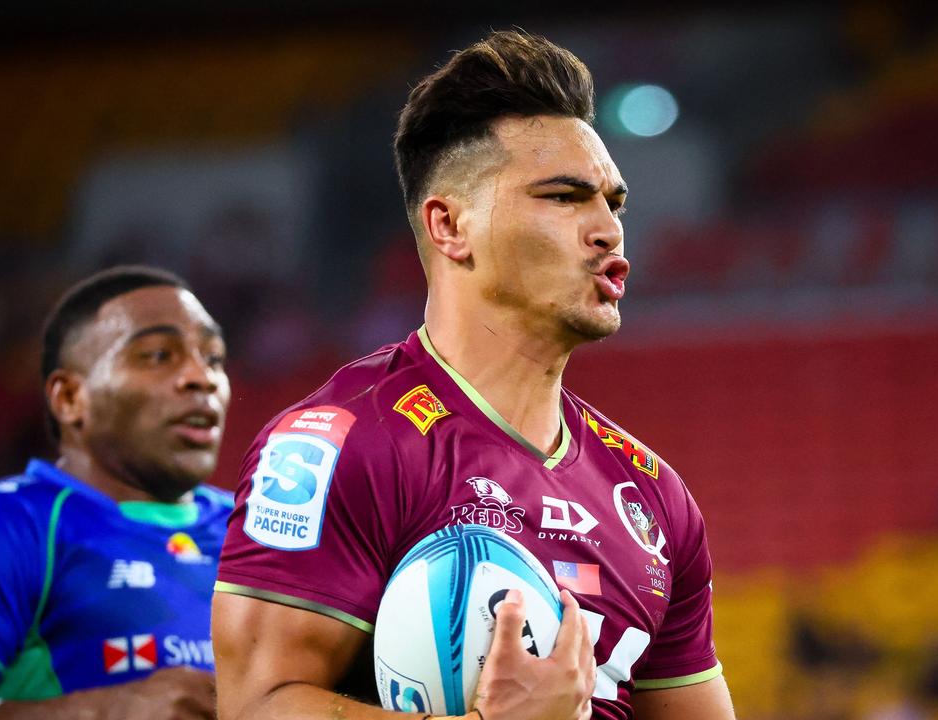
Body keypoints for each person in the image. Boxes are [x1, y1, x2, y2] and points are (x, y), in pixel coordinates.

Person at [212, 30, 735, 720]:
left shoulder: (654, 499)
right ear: (449, 225)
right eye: (564, 197)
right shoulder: (340, 445)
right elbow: (257, 707)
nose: (608, 228)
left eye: (613, 202)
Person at [0, 266, 232, 720]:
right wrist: (97, 713)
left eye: (215, 358)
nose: (201, 378)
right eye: (160, 354)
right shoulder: (2, 531)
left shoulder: (260, 534)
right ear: (69, 398)